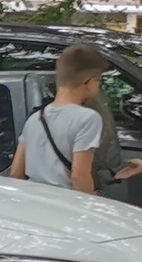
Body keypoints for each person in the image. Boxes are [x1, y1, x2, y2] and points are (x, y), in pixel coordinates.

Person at [8, 44, 111, 195]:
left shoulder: (34, 119)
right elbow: (79, 176)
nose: (99, 87)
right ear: (88, 82)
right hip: (66, 202)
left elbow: (16, 173)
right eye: (99, 81)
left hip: (34, 203)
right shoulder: (88, 118)